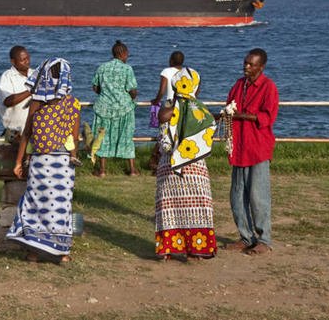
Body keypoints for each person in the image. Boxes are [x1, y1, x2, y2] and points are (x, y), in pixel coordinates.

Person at [8, 58, 80, 263]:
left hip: (41, 162)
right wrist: (73, 157)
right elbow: (74, 138)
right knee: (61, 206)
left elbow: (26, 134)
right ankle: (62, 252)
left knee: (36, 204)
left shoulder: (38, 102)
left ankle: (33, 251)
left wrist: (18, 162)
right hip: (64, 164)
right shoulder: (73, 103)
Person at [154, 68, 217, 260]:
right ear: (196, 89)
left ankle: (168, 248)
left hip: (169, 167)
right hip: (195, 168)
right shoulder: (203, 113)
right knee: (198, 206)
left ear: (174, 85)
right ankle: (197, 248)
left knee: (169, 207)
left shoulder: (166, 111)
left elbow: (164, 134)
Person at [225, 48, 279, 255]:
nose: (246, 66)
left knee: (258, 196)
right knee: (237, 196)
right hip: (238, 148)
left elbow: (268, 117)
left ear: (261, 66)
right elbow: (229, 105)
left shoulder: (268, 87)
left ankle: (264, 239)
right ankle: (246, 237)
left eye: (251, 64)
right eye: (245, 62)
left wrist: (241, 116)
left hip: (257, 148)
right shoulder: (239, 85)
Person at [0, 45, 32, 252]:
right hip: (15, 135)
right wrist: (30, 91)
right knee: (14, 185)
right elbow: (8, 101)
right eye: (22, 59)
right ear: (13, 62)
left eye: (27, 58)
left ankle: (29, 229)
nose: (26, 62)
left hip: (34, 136)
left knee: (32, 183)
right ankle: (7, 233)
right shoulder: (7, 77)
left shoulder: (35, 75)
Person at [92, 40, 139, 176]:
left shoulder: (102, 68)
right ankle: (132, 170)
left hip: (104, 107)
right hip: (124, 108)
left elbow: (95, 87)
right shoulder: (127, 69)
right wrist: (132, 97)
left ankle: (102, 170)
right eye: (127, 54)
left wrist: (105, 94)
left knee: (102, 137)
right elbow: (133, 90)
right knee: (127, 137)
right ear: (123, 54)